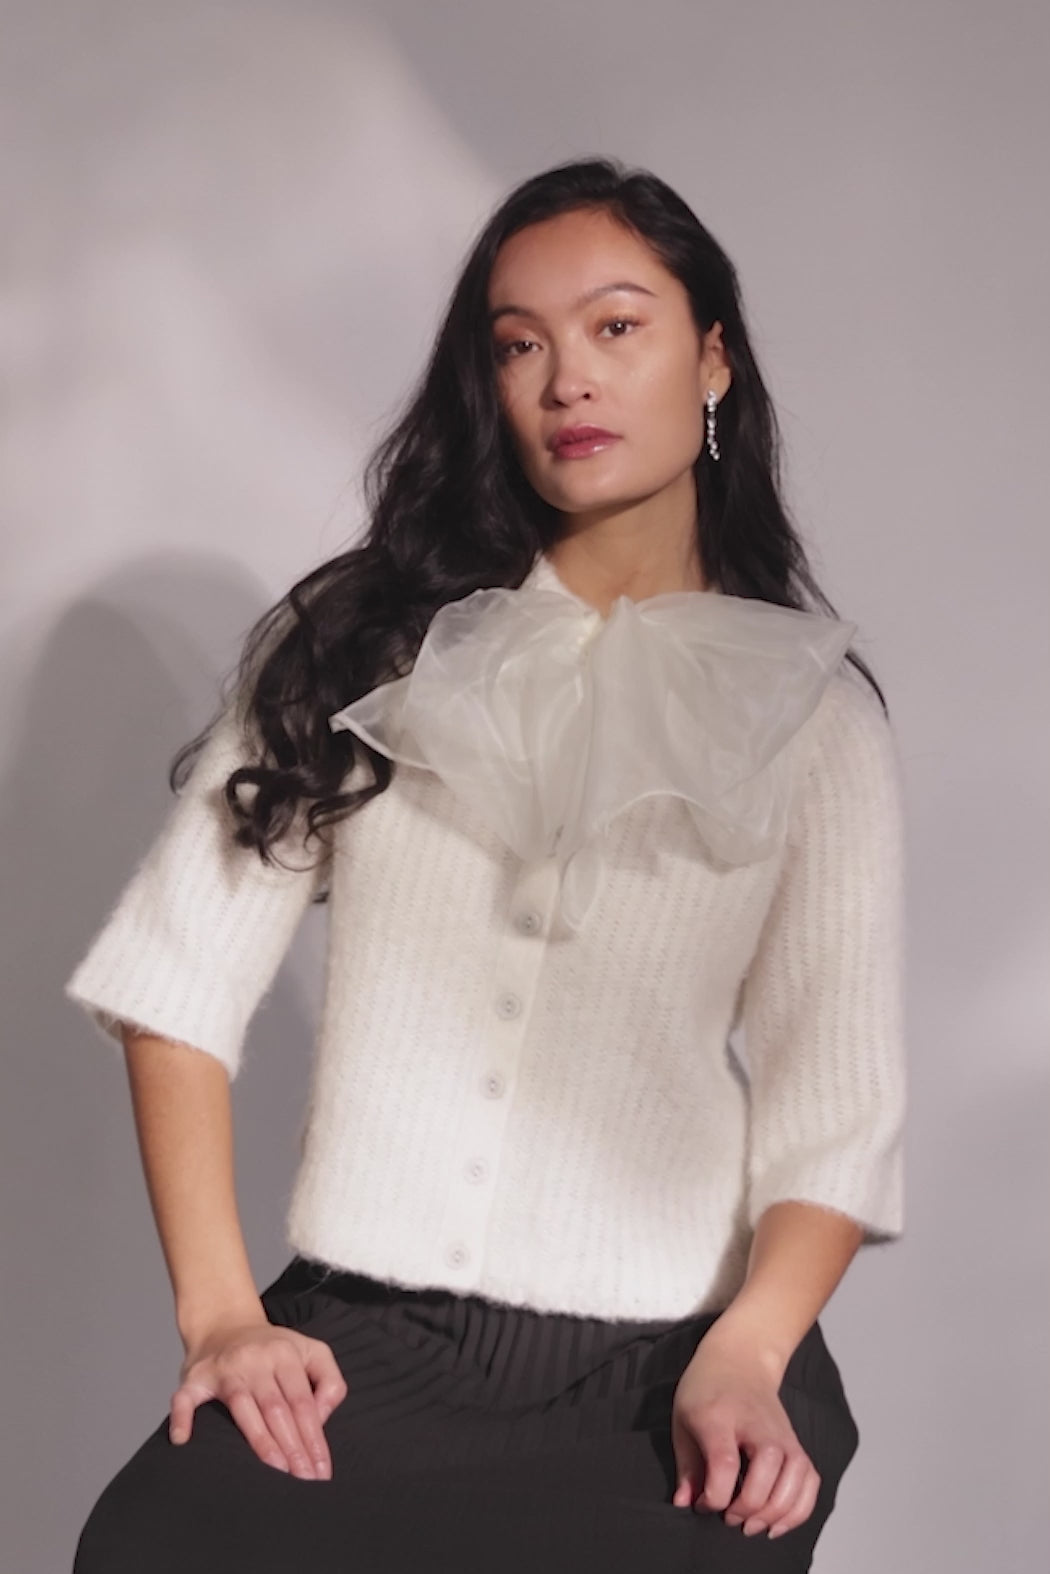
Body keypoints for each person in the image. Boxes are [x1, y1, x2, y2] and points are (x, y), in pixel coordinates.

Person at [64, 156, 907, 1573]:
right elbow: (175, 979)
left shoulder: (816, 721)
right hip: (367, 1342)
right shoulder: (354, 646)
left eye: (616, 327)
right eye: (519, 344)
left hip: (675, 1370)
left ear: (712, 358)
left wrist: (751, 1353)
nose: (567, 378)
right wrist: (219, 1316)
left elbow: (836, 1107)